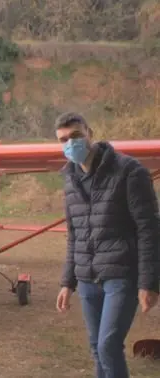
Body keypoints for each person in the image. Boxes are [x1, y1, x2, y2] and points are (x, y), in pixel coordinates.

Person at [54, 112, 160, 378]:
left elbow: (149, 229)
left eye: (76, 136)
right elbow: (74, 234)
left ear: (89, 133)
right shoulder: (70, 179)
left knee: (108, 345)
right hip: (88, 277)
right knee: (96, 347)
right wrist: (68, 283)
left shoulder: (129, 171)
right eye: (63, 139)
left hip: (121, 274)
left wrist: (149, 283)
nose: (70, 143)